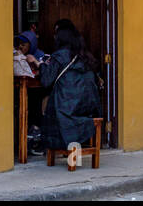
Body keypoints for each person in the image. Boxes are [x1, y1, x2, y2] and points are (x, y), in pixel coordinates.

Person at [39, 19, 102, 152]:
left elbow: (46, 81)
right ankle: (74, 155)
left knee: (46, 105)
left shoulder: (60, 56)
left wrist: (42, 65)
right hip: (89, 108)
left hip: (67, 109)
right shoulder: (85, 56)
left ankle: (72, 157)